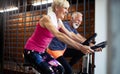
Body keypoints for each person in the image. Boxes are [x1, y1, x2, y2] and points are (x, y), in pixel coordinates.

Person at [24, 0, 94, 74]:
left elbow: (70, 34)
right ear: (57, 8)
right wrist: (80, 47)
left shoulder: (59, 21)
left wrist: (89, 45)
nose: (67, 11)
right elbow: (59, 34)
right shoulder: (46, 19)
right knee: (50, 72)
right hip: (31, 51)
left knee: (60, 70)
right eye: (65, 8)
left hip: (42, 52)